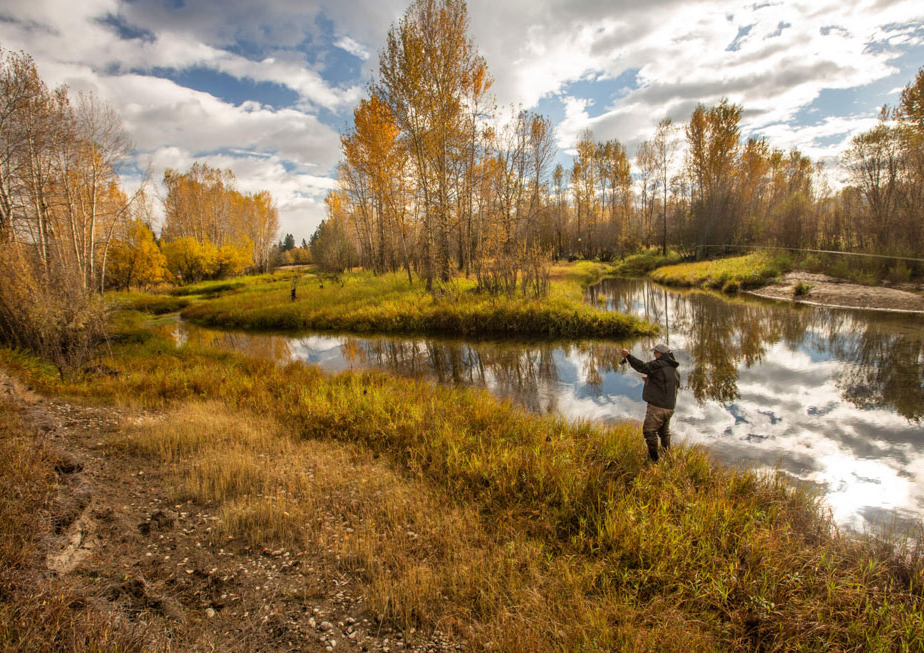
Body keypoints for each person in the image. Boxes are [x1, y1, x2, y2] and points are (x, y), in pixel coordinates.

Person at [620, 343, 681, 462]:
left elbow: (642, 367)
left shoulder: (658, 364)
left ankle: (654, 460)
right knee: (664, 432)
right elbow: (671, 384)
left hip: (657, 408)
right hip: (670, 407)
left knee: (649, 431)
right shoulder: (674, 369)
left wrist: (628, 356)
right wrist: (650, 380)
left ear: (661, 354)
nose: (654, 354)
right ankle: (667, 455)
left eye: (656, 352)